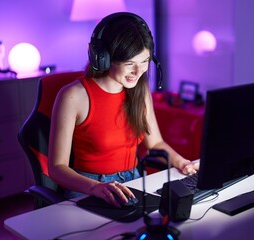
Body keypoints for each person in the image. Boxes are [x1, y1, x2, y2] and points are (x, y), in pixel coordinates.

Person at [48, 12, 199, 208]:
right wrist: (96, 188)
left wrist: (182, 162)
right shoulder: (73, 96)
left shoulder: (139, 89)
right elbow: (57, 168)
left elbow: (155, 143)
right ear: (103, 58)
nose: (138, 72)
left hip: (133, 182)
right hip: (88, 188)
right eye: (129, 64)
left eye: (144, 62)